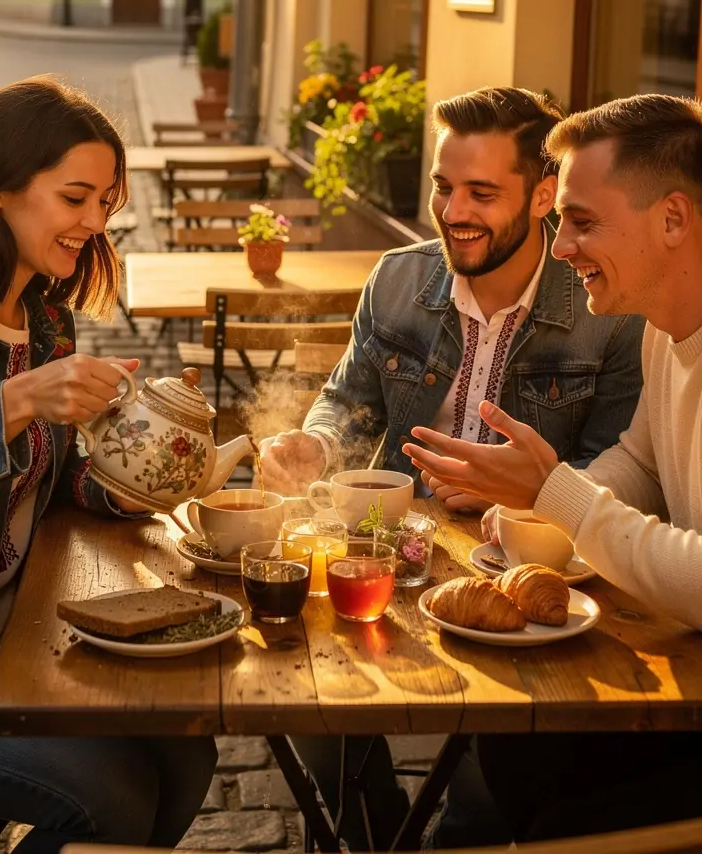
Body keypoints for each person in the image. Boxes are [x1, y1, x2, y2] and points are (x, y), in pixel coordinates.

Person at [260, 86, 644, 849]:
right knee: (301, 688)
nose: (453, 211)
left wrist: (528, 500)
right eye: (443, 186)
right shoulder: (397, 279)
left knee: (490, 776)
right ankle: (376, 830)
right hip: (387, 550)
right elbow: (347, 401)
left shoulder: (608, 310)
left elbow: (618, 464)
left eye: (481, 193)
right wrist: (318, 444)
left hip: (523, 573)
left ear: (543, 196)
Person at [0, 77, 217, 854]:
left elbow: (52, 478)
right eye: (76, 198)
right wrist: (15, 401)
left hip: (0, 650)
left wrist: (138, 478)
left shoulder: (46, 317)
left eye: (106, 202)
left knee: (189, 753)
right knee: (112, 798)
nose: (96, 223)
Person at [404, 93, 702, 844]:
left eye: (583, 221)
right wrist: (535, 510)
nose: (561, 244)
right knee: (512, 749)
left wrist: (554, 491)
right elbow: (642, 464)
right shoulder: (663, 332)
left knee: (557, 808)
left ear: (673, 218)